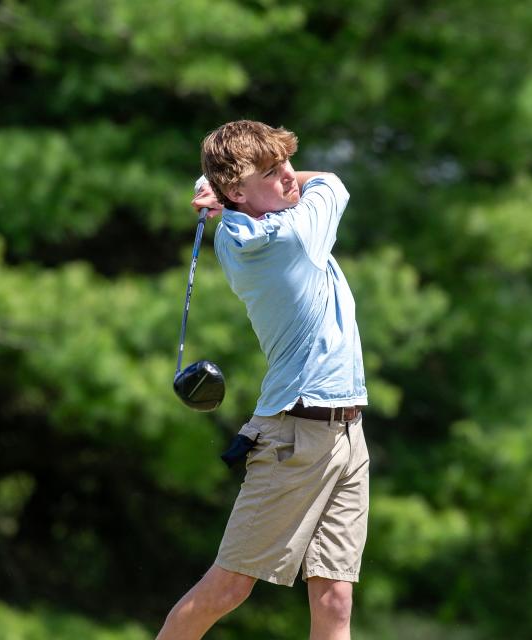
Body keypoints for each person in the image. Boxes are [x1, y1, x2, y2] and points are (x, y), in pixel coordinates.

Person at [155, 120, 370, 640]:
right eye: (273, 172)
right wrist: (226, 193)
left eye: (287, 163)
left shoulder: (241, 222)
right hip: (294, 437)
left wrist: (233, 190)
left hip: (346, 431)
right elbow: (333, 182)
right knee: (228, 588)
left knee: (335, 599)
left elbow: (286, 187)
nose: (290, 177)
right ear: (237, 191)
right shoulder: (291, 238)